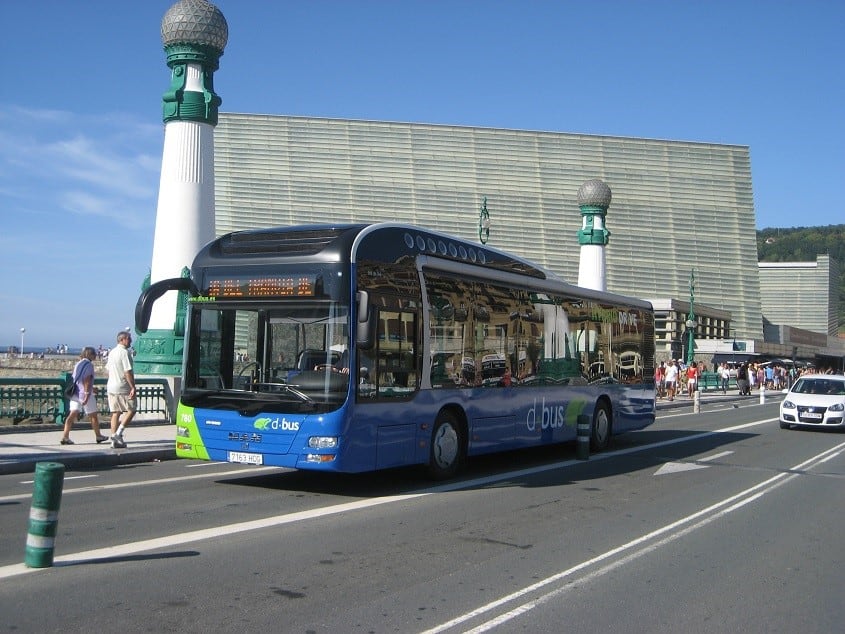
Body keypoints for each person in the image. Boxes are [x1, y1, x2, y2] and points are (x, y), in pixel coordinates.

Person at [60, 347, 109, 445]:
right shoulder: (89, 365)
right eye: (94, 354)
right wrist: (87, 394)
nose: (95, 355)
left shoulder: (78, 364)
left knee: (72, 414)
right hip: (85, 394)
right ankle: (98, 436)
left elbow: (78, 380)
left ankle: (65, 436)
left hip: (75, 393)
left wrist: (91, 388)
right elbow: (86, 380)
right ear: (90, 355)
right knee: (93, 416)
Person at [106, 330, 137, 448]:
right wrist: (132, 387)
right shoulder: (125, 352)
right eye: (129, 339)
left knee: (115, 413)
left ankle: (114, 440)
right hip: (122, 386)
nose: (131, 341)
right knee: (132, 409)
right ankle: (118, 434)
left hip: (111, 386)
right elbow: (127, 371)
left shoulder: (112, 352)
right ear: (122, 340)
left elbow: (109, 370)